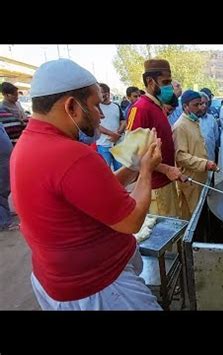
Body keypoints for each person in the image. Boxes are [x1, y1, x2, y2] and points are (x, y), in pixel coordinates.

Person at [10, 58, 163, 310]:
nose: (100, 115)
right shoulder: (71, 154)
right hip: (99, 289)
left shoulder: (29, 142)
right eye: (95, 105)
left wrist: (134, 166)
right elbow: (131, 221)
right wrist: (146, 171)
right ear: (72, 106)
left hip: (60, 281)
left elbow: (98, 194)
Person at [126, 59, 182, 217]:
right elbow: (134, 154)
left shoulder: (158, 107)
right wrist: (166, 169)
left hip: (166, 181)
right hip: (155, 187)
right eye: (165, 82)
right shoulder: (141, 109)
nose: (169, 87)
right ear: (150, 81)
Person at [173, 90, 217, 219]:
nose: (200, 108)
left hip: (201, 177)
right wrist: (204, 164)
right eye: (196, 105)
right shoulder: (180, 126)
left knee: (201, 212)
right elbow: (180, 156)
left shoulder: (194, 121)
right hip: (191, 179)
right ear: (185, 106)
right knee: (192, 216)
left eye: (201, 104)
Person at [96, 83, 126, 171]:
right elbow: (96, 126)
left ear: (108, 93)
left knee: (120, 170)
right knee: (106, 170)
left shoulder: (116, 106)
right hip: (103, 145)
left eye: (101, 92)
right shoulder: (97, 108)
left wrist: (119, 132)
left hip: (118, 144)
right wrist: (112, 134)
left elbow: (123, 121)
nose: (99, 95)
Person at [0, 107, 14, 231]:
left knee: (5, 188)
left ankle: (6, 215)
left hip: (5, 161)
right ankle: (4, 221)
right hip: (2, 161)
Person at [198, 92, 219, 163]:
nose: (204, 106)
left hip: (210, 159)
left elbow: (216, 136)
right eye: (201, 103)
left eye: (206, 103)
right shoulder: (191, 120)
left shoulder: (211, 119)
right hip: (196, 161)